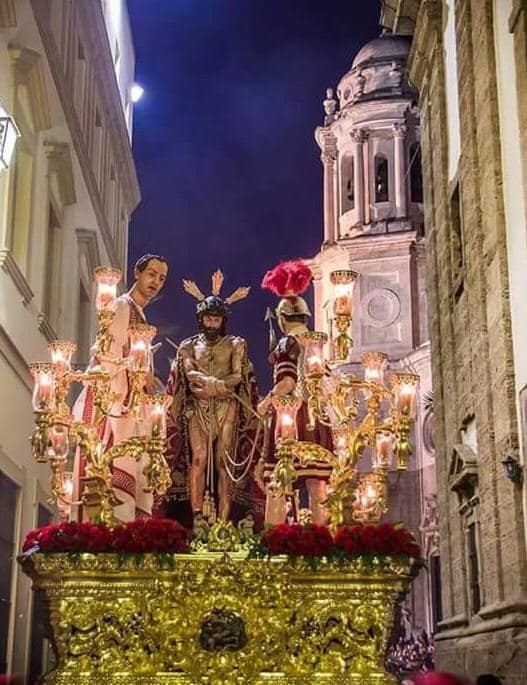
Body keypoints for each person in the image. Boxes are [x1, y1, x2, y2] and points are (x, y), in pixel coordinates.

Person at [72, 254, 168, 522]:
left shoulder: (139, 313)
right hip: (115, 401)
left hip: (132, 402)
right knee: (113, 464)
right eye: (151, 274)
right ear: (137, 273)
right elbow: (108, 355)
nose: (156, 282)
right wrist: (127, 394)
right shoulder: (121, 306)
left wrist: (150, 382)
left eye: (161, 278)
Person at [164, 270, 264, 527]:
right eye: (208, 319)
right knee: (198, 458)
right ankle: (197, 515)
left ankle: (223, 520)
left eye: (216, 320)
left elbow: (236, 376)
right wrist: (206, 382)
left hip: (227, 406)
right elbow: (188, 371)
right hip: (197, 406)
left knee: (224, 463)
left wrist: (218, 385)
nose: (211, 324)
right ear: (201, 319)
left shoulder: (235, 344)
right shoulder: (188, 346)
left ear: (223, 321)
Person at [259, 259, 332, 524]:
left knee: (277, 480)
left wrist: (265, 403)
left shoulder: (287, 342)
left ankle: (274, 539)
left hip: (291, 418)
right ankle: (322, 538)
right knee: (317, 483)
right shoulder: (315, 344)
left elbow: (287, 382)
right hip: (320, 418)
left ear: (282, 319)